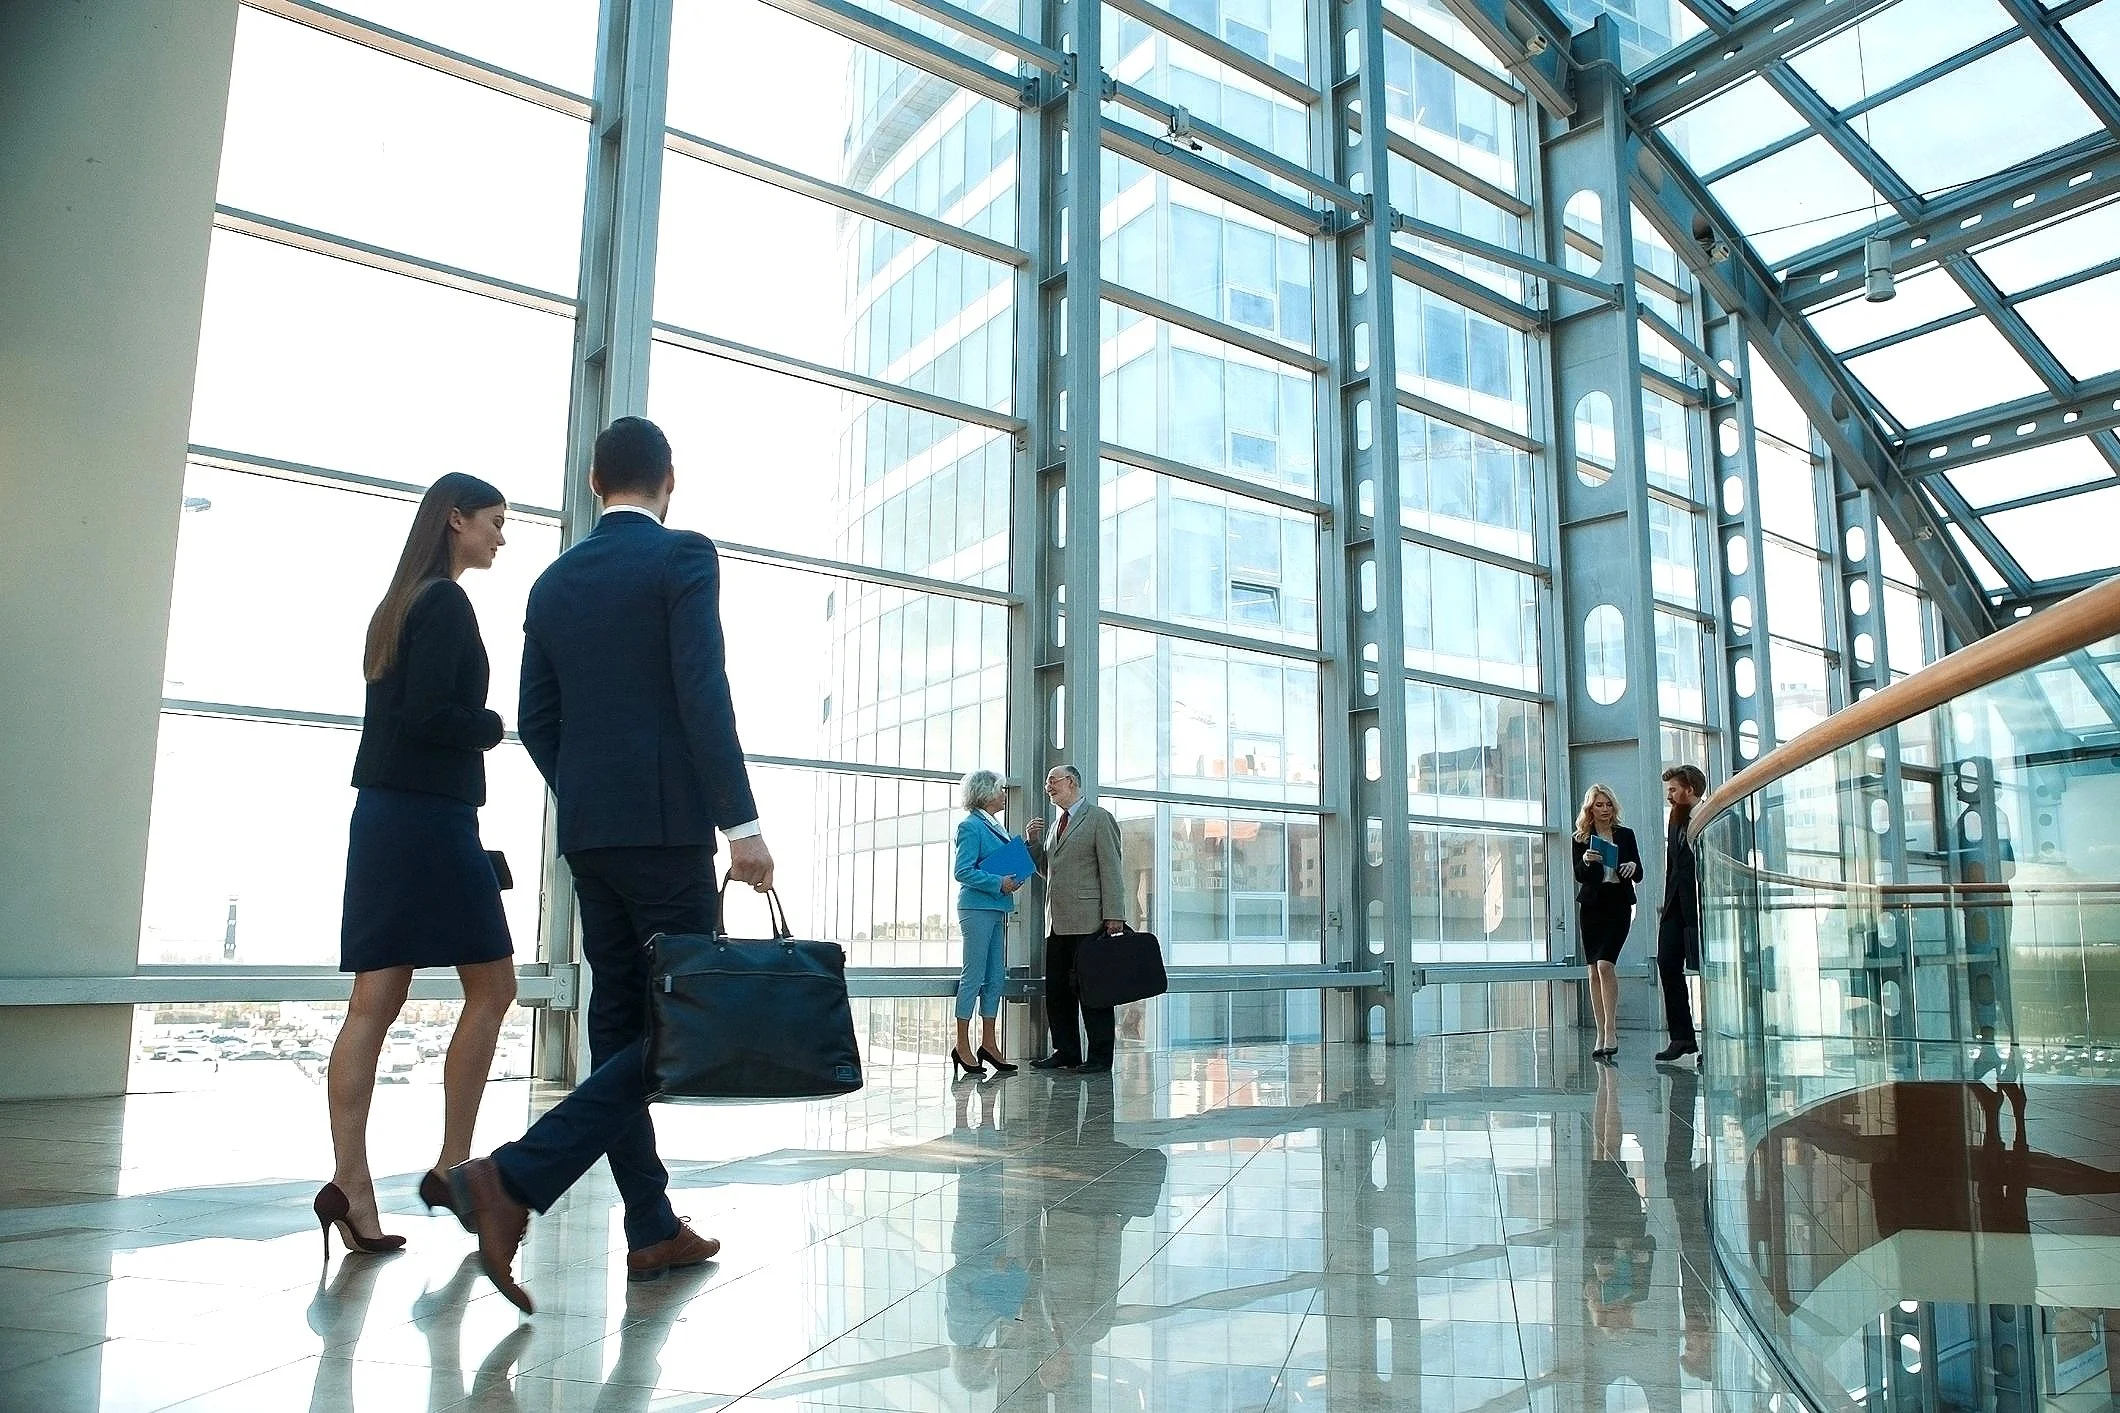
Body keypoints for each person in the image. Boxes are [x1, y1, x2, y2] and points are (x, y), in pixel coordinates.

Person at [448, 416, 774, 1313]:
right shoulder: (683, 558)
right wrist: (739, 825)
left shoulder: (553, 583)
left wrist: (593, 791)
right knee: (677, 1023)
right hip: (671, 833)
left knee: (623, 1020)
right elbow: (703, 691)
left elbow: (538, 719)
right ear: (669, 478)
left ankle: (650, 1224)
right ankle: (512, 1177)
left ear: (596, 483)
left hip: (594, 835)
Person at [319, 473, 519, 1261]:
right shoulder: (445, 602)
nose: (502, 536)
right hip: (430, 820)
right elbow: (434, 717)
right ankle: (453, 1167)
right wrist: (494, 724)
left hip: (387, 817)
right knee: (494, 986)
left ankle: (351, 1184)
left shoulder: (397, 605)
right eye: (496, 522)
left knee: (375, 999)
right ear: (456, 519)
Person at [1024, 765, 1126, 1074]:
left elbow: (1112, 868)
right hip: (1056, 921)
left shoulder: (1098, 818)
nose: (1048, 786)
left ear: (1072, 782)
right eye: (1047, 781)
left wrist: (1114, 915)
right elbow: (1048, 873)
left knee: (1093, 990)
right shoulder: (1057, 825)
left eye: (1052, 780)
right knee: (1058, 991)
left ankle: (1099, 1057)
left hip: (1089, 920)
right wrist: (1033, 843)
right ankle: (1066, 1050)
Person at [952, 769, 1021, 1077]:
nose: (1004, 794)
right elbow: (962, 871)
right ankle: (961, 1044)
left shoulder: (994, 826)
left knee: (995, 976)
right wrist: (998, 882)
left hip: (996, 908)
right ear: (986, 793)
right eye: (1000, 790)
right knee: (974, 975)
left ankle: (989, 1043)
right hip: (977, 908)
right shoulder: (970, 826)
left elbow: (999, 862)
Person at [1573, 783, 1641, 1061]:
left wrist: (1632, 866)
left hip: (1618, 903)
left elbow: (1638, 871)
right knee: (1592, 970)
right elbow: (1580, 875)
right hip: (1592, 906)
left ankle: (1611, 1030)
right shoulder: (1580, 839)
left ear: (1614, 807)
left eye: (1608, 804)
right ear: (1590, 809)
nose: (1604, 809)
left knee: (1605, 965)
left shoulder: (1625, 835)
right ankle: (1600, 1032)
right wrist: (1588, 862)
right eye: (1598, 805)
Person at [1656, 764, 1708, 1066]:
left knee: (1707, 970)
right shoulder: (1675, 821)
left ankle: (1711, 1041)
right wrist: (1666, 906)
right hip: (1676, 905)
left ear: (1690, 790)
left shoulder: (1710, 816)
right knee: (1667, 963)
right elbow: (1671, 866)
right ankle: (1682, 1037)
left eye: (1674, 789)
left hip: (1702, 905)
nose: (1670, 795)